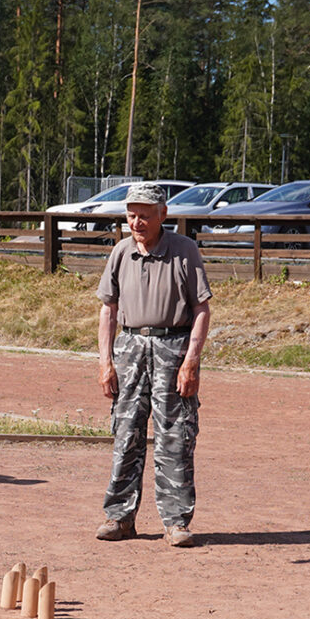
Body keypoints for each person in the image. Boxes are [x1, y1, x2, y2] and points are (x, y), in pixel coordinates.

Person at [94, 182, 213, 547]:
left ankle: (176, 522)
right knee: (126, 433)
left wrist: (191, 361)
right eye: (131, 215)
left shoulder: (184, 251)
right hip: (130, 349)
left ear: (163, 214)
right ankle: (120, 517)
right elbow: (108, 310)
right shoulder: (120, 253)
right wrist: (105, 362)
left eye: (144, 215)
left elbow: (202, 309)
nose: (137, 223)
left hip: (171, 347)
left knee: (175, 437)